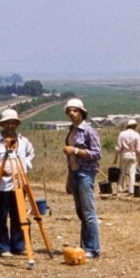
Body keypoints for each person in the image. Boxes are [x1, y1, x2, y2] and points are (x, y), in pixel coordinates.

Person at [0, 108, 35, 258]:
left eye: (13, 123)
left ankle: (19, 246)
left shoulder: (23, 141)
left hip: (19, 184)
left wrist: (25, 165)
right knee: (1, 217)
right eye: (7, 123)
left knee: (19, 216)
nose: (10, 126)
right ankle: (2, 247)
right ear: (2, 124)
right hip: (1, 186)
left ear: (17, 124)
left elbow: (31, 153)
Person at [62, 98, 102, 259]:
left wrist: (76, 151)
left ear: (81, 112)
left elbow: (97, 154)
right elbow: (69, 158)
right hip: (75, 173)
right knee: (81, 211)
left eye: (75, 110)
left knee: (88, 212)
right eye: (69, 111)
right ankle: (85, 246)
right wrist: (68, 179)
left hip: (85, 173)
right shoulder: (71, 131)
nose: (72, 113)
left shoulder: (89, 131)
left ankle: (93, 248)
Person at [113, 119, 140, 195]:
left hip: (124, 155)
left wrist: (116, 158)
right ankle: (131, 191)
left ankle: (119, 190)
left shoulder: (122, 134)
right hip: (133, 155)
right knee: (132, 173)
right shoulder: (137, 135)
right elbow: (138, 149)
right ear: (134, 126)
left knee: (122, 172)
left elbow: (118, 147)